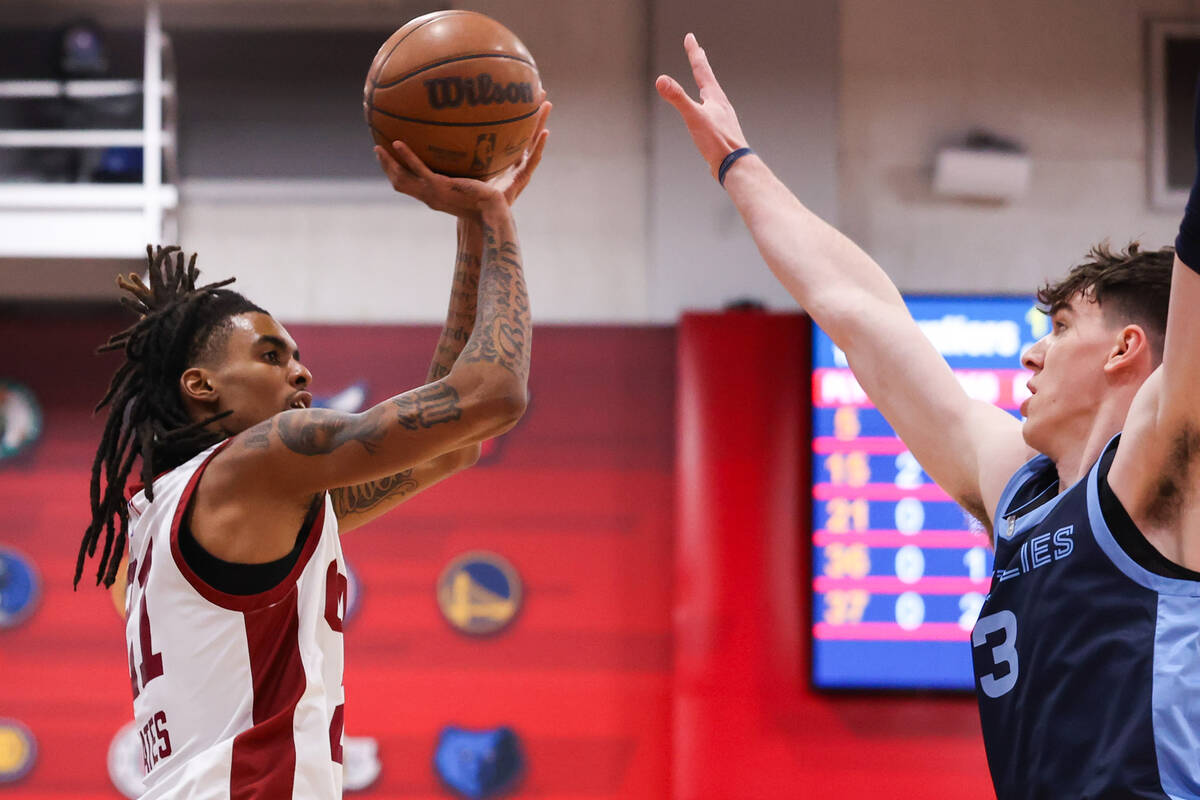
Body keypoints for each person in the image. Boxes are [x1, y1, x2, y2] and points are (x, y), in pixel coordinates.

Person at [658, 32, 1200, 799]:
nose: (1030, 357)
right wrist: (737, 165)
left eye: (1060, 330)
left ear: (1126, 350)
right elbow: (861, 312)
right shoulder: (1021, 490)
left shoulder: (1162, 470)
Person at [75, 105, 550, 799]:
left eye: (298, 357)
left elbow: (455, 445)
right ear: (200, 385)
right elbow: (495, 395)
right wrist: (499, 217)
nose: (300, 373)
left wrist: (472, 224)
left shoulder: (161, 517)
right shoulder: (264, 458)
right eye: (271, 356)